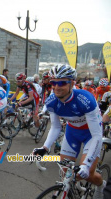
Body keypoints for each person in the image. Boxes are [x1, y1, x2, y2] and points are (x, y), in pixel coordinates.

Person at [32, 64, 106, 199]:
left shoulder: (85, 99)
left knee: (88, 172)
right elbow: (55, 127)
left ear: (72, 83)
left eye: (62, 82)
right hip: (72, 133)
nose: (56, 86)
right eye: (53, 82)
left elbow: (97, 135)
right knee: (66, 172)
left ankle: (101, 185)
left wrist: (85, 164)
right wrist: (45, 147)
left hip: (91, 135)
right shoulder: (51, 101)